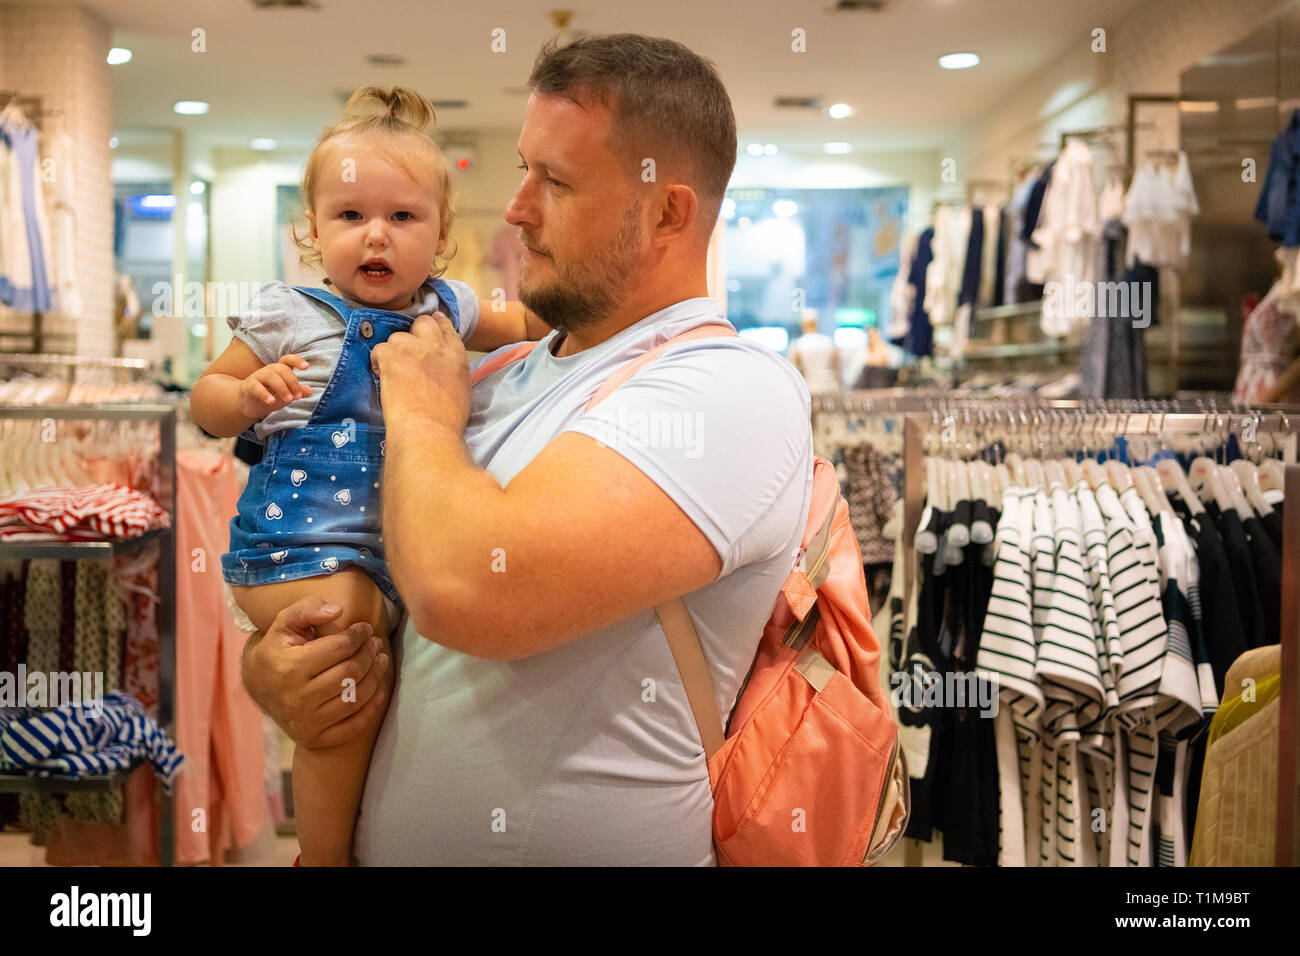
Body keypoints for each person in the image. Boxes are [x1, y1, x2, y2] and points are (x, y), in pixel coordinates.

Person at [240, 34, 813, 865]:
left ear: (667, 211)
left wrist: (425, 415)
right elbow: (377, 582)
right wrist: (276, 668)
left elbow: (469, 591)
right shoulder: (502, 369)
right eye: (523, 169)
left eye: (558, 182)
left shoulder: (729, 390)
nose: (515, 208)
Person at [189, 86, 548, 866]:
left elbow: (528, 322)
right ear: (312, 229)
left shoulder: (447, 307)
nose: (375, 236)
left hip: (389, 549)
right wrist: (246, 395)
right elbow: (205, 399)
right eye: (350, 217)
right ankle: (319, 855)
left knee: (375, 695)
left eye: (403, 217)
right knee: (347, 695)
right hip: (299, 546)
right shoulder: (291, 313)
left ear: (442, 232)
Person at [789, 310, 843, 393]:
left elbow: (793, 371)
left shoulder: (798, 345)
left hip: (809, 388)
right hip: (830, 388)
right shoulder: (829, 342)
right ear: (816, 323)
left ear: (803, 324)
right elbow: (837, 370)